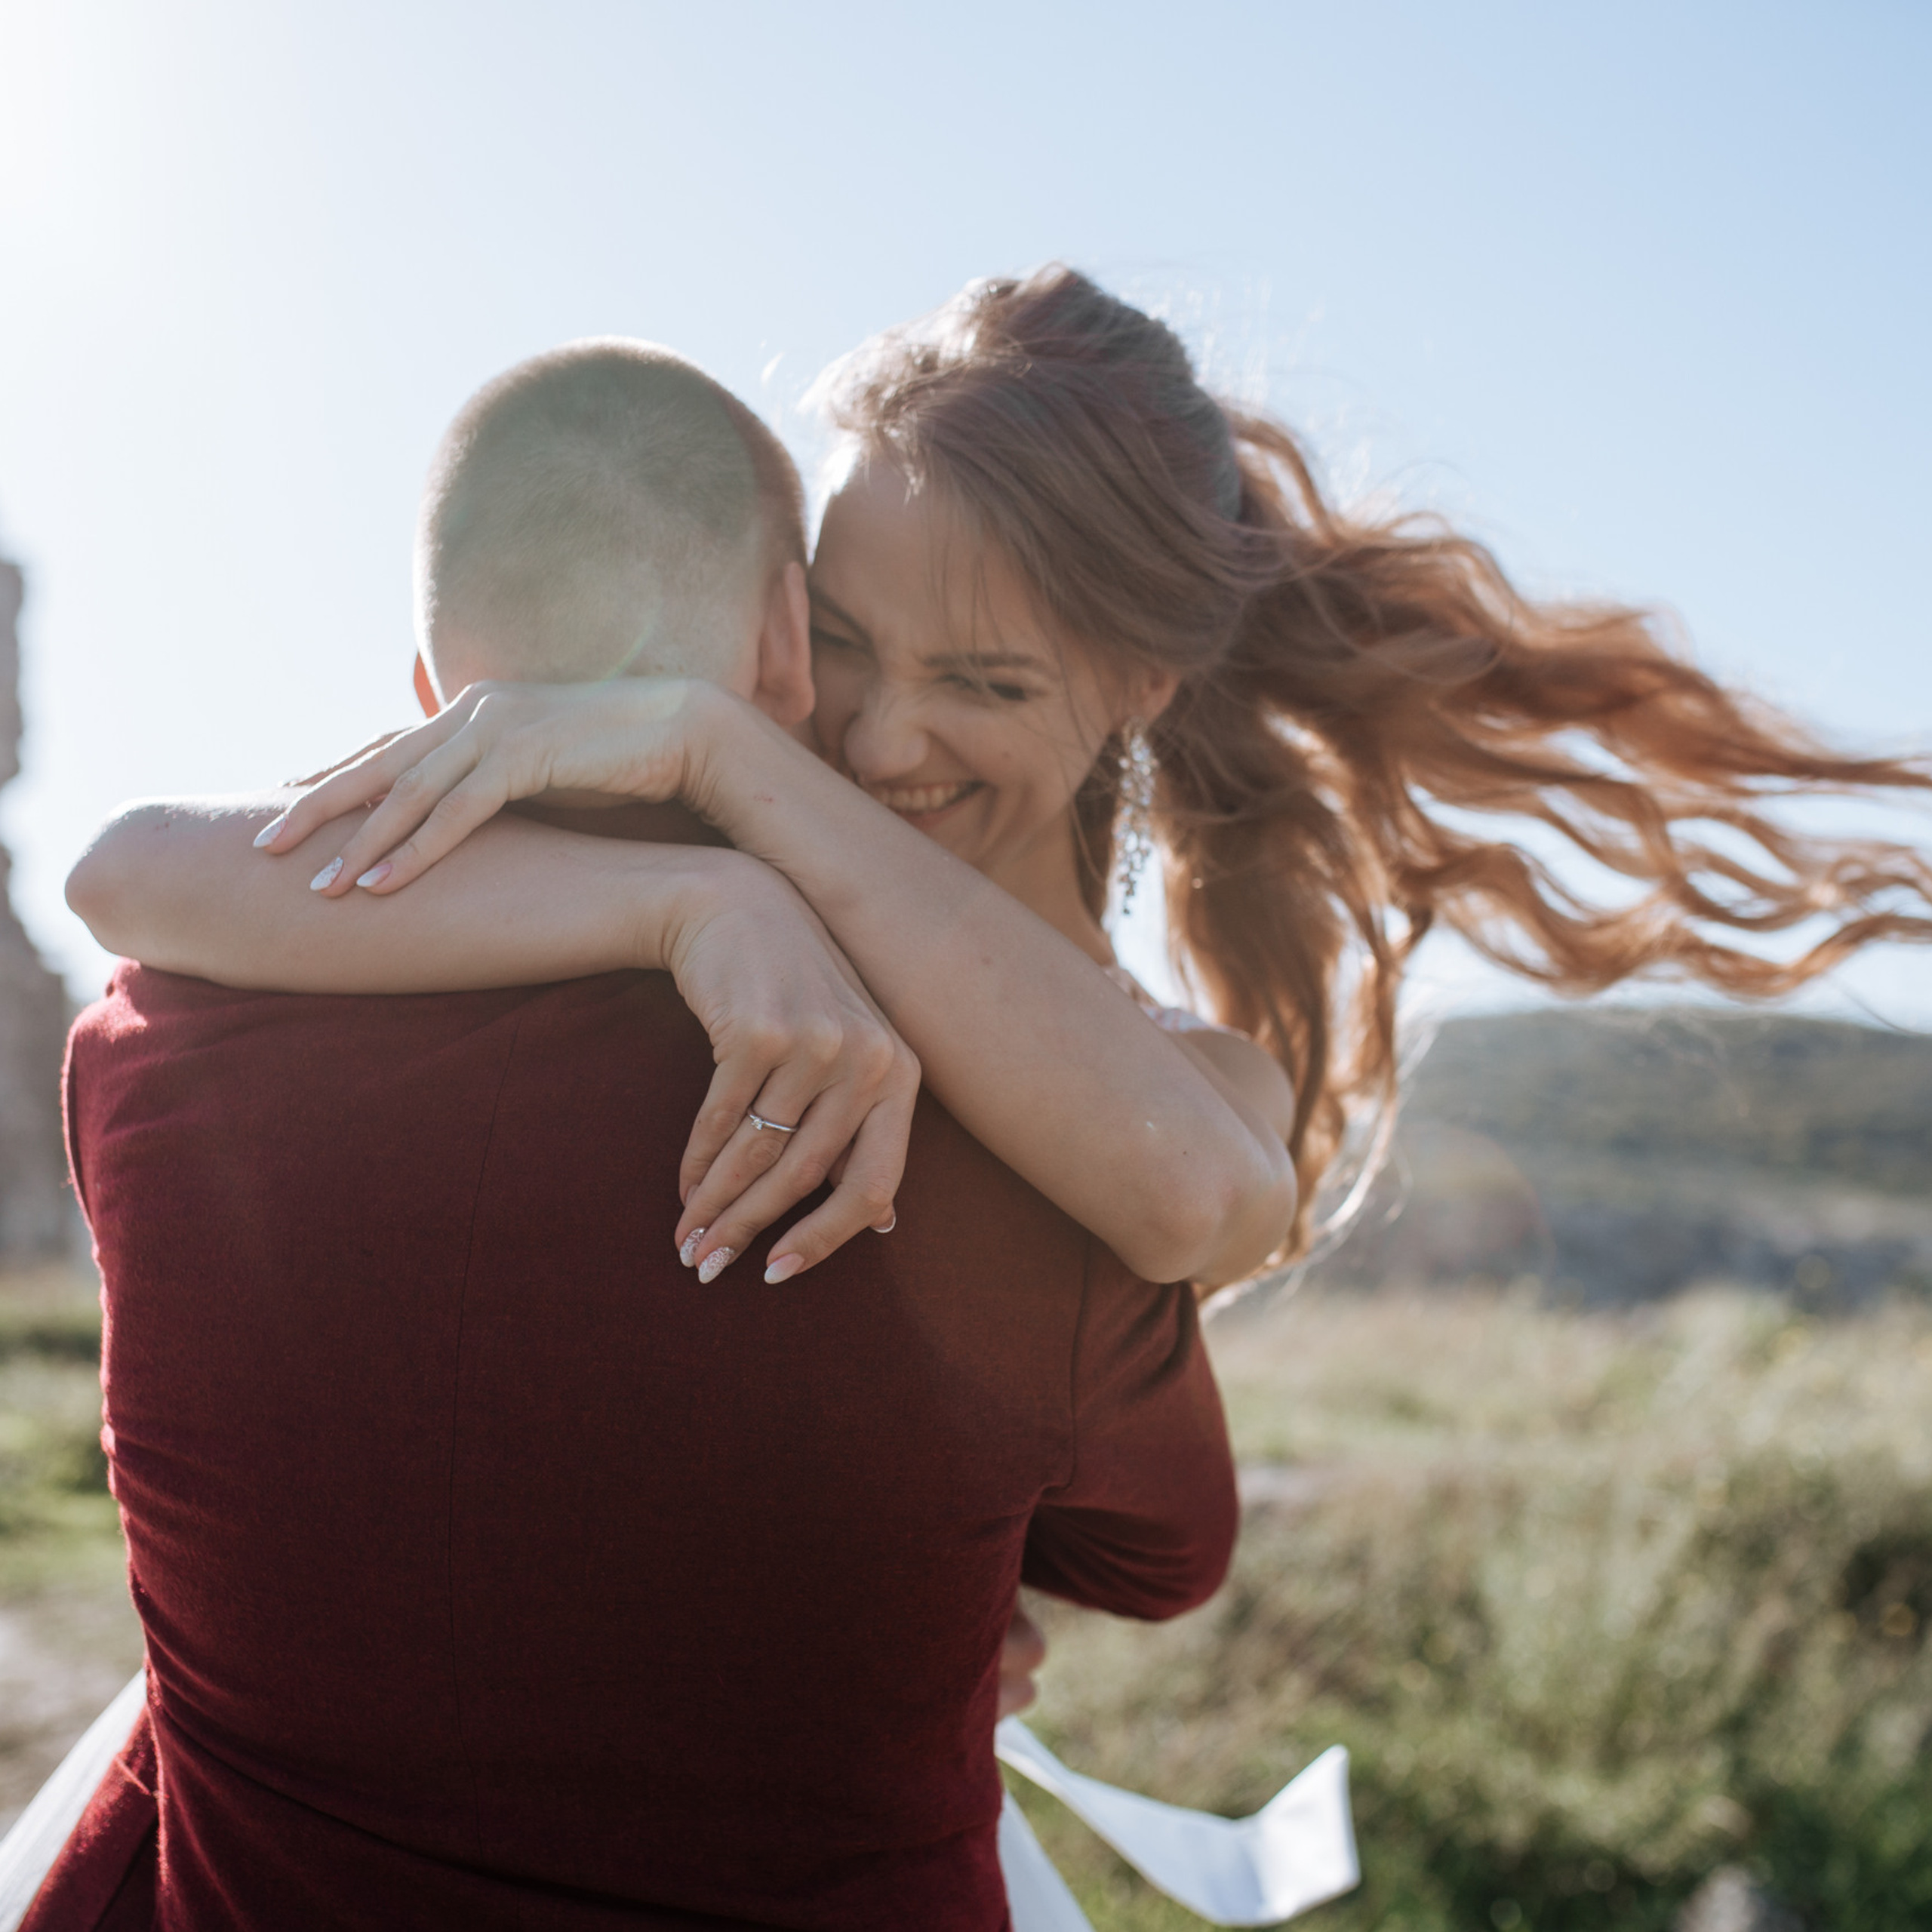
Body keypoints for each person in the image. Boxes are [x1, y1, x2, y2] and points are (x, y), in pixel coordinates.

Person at [34, 340, 1242, 1930]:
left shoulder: (140, 1057)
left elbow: (129, 872)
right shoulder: (995, 1150)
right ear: (778, 656)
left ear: (432, 704)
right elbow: (1163, 1552)